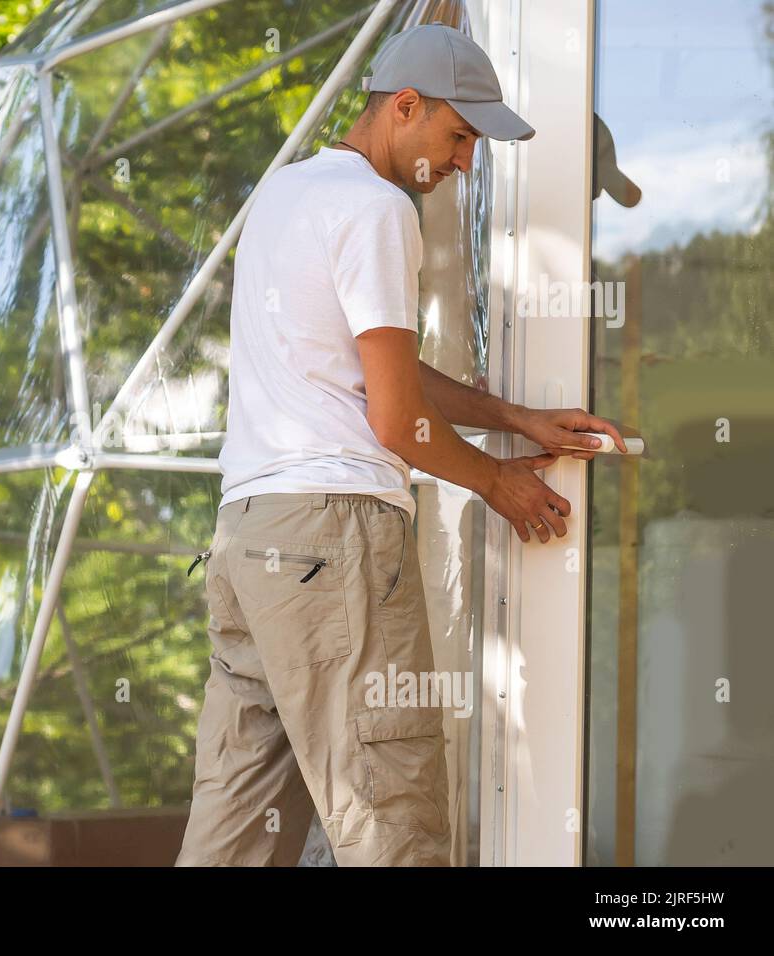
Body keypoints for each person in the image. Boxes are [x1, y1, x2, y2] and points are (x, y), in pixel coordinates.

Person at [176, 22, 626, 867]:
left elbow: (384, 371)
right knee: (395, 822)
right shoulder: (380, 208)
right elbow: (394, 423)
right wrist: (501, 482)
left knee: (232, 834)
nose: (463, 161)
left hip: (250, 540)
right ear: (405, 107)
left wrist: (516, 416)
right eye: (458, 136)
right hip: (333, 545)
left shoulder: (284, 193)